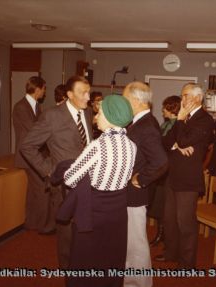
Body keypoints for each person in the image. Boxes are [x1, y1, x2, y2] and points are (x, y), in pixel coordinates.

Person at [54, 95, 136, 287]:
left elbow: (70, 178)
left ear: (110, 116)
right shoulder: (132, 146)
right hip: (118, 214)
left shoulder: (97, 146)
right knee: (111, 261)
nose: (96, 116)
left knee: (86, 263)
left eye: (99, 112)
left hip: (95, 214)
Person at [20, 75, 93, 271]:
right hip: (63, 185)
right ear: (69, 95)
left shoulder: (87, 113)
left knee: (83, 227)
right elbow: (27, 146)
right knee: (67, 233)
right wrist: (49, 171)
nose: (88, 97)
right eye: (83, 93)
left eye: (89, 92)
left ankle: (82, 265)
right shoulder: (52, 116)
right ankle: (68, 271)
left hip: (86, 183)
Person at [156, 83, 214, 268]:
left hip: (188, 179)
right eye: (182, 96)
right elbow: (165, 141)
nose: (183, 100)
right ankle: (171, 253)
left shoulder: (205, 119)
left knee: (185, 222)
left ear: (197, 98)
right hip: (172, 175)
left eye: (186, 95)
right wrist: (177, 146)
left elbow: (183, 139)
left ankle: (187, 263)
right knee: (169, 219)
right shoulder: (183, 117)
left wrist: (180, 126)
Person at [123, 82, 168, 287]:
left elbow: (160, 162)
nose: (123, 102)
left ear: (136, 101)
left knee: (136, 245)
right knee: (130, 243)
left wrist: (140, 179)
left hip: (135, 194)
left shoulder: (146, 125)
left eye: (125, 98)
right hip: (131, 194)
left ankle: (140, 284)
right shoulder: (140, 121)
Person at [13, 76, 51, 233]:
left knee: (33, 191)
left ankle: (31, 222)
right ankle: (44, 226)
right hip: (26, 157)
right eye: (44, 88)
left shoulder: (36, 106)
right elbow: (34, 132)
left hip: (33, 156)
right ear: (37, 89)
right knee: (42, 188)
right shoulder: (21, 107)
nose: (45, 91)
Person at [148, 95, 181, 246]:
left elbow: (165, 144)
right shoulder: (166, 124)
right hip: (162, 168)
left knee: (163, 204)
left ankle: (164, 235)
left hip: (169, 169)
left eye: (165, 107)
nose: (162, 110)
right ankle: (161, 233)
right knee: (159, 203)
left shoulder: (175, 125)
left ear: (172, 109)